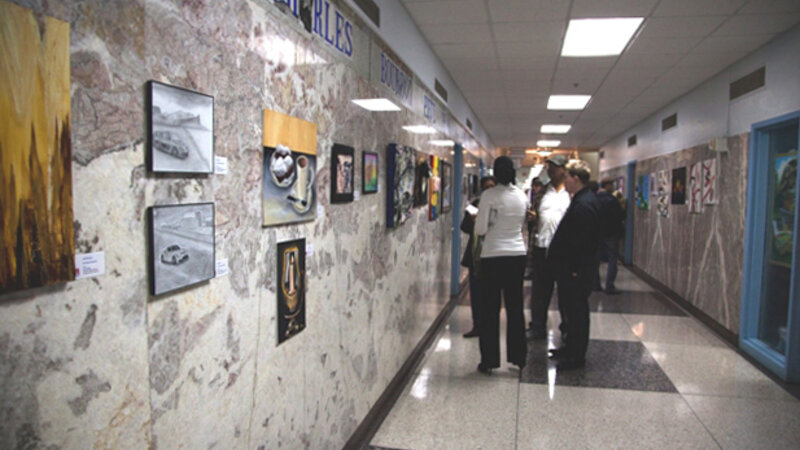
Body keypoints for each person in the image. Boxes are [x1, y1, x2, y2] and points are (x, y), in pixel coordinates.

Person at [474, 156, 528, 375]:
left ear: (495, 174)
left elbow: (480, 230)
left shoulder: (489, 195)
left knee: (490, 309)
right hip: (517, 255)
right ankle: (519, 358)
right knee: (515, 308)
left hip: (493, 256)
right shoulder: (522, 196)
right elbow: (520, 224)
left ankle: (489, 361)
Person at [547, 160, 601, 370]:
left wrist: (575, 269)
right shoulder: (581, 200)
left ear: (576, 179)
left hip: (575, 271)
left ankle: (576, 356)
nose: (565, 181)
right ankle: (570, 348)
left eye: (567, 177)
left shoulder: (584, 205)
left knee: (577, 313)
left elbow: (583, 242)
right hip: (571, 269)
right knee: (570, 311)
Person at [526, 155, 571, 339]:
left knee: (566, 293)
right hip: (542, 248)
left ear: (564, 170)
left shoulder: (571, 194)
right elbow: (536, 217)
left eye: (555, 167)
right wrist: (533, 218)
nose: (550, 171)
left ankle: (566, 328)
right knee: (539, 292)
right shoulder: (541, 193)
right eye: (549, 167)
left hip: (564, 251)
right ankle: (537, 326)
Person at [460, 176, 497, 338]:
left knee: (491, 293)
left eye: (492, 187)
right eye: (486, 187)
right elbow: (464, 227)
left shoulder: (500, 205)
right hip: (476, 255)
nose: (489, 190)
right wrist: (472, 221)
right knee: (476, 293)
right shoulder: (475, 204)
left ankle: (490, 325)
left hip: (494, 253)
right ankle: (477, 325)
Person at [595, 179, 625, 294]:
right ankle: (609, 286)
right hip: (611, 233)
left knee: (596, 260)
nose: (613, 187)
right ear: (607, 185)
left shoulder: (595, 199)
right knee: (612, 259)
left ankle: (596, 284)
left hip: (597, 233)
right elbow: (619, 216)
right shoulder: (613, 200)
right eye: (612, 185)